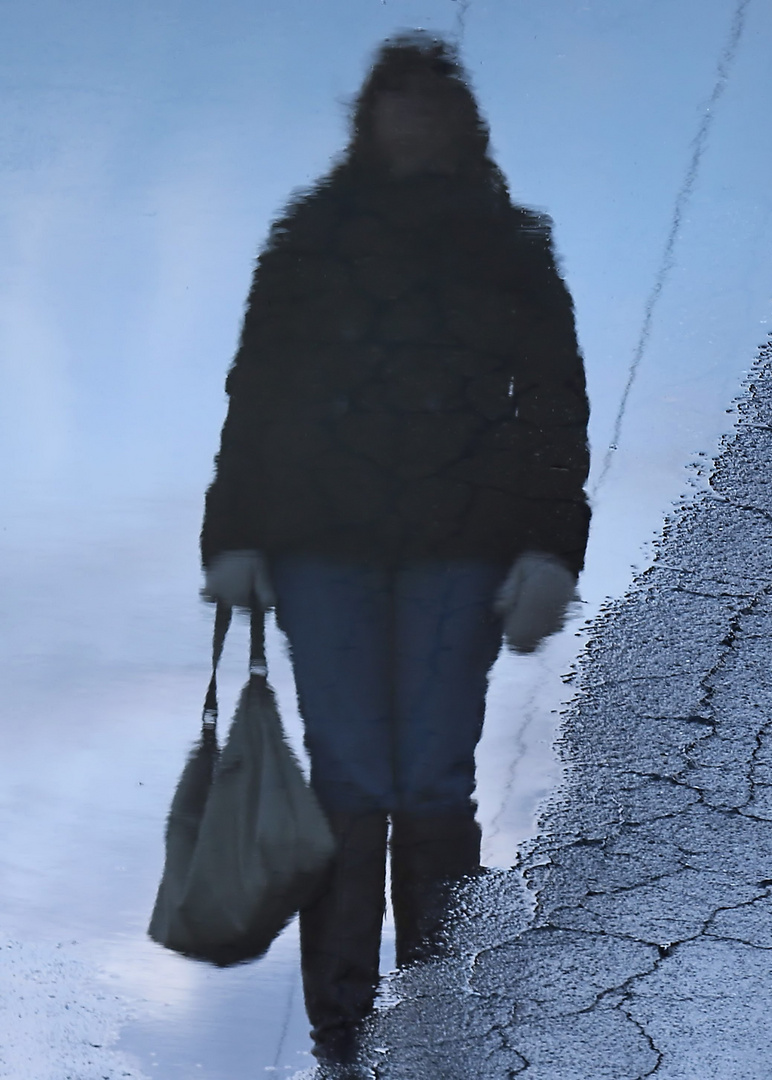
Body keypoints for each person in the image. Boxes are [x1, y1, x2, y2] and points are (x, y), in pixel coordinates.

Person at [199, 33, 590, 1066]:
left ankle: (434, 1026)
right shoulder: (308, 244)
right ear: (366, 122)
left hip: (460, 547)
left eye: (434, 102)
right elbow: (258, 397)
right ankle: (343, 1037)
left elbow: (552, 408)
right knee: (349, 781)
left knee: (427, 783)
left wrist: (550, 549)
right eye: (397, 100)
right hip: (320, 547)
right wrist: (234, 535)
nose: (415, 117)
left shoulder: (509, 247)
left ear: (465, 126)